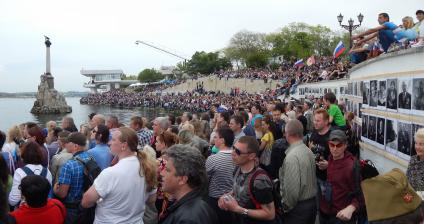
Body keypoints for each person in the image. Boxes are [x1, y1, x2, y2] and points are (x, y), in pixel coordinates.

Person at [81, 127, 157, 223]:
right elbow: (151, 199)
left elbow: (86, 201)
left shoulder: (110, 173)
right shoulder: (147, 168)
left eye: (113, 140)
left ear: (124, 145)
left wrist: (103, 201)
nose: (109, 143)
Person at [218, 136, 275, 224]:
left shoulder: (260, 180)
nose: (232, 153)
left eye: (237, 151)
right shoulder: (238, 168)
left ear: (251, 156)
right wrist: (226, 197)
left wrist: (238, 209)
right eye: (233, 148)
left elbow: (270, 214)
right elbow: (239, 188)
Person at [160, 144, 218, 224]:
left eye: (167, 170)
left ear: (182, 179)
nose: (162, 173)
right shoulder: (192, 207)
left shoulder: (189, 219)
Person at [319, 130, 363, 224]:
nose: (335, 149)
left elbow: (360, 195)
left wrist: (351, 208)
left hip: (340, 216)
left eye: (338, 145)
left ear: (345, 145)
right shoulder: (330, 158)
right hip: (325, 212)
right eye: (332, 145)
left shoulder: (351, 166)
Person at [280, 120, 317, 224]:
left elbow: (292, 191)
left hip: (298, 209)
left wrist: (286, 207)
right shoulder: (307, 150)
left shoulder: (292, 157)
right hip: (311, 205)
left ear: (287, 134)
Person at [53, 132, 92, 224]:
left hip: (71, 209)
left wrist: (55, 189)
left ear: (75, 146)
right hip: (86, 206)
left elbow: (62, 194)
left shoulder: (69, 165)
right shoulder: (91, 158)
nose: (65, 144)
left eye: (68, 142)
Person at [9, 142, 53, 207]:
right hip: (43, 209)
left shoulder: (19, 172)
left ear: (23, 155)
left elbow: (13, 201)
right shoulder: (47, 172)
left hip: (26, 210)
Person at [206, 127, 235, 224]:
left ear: (222, 140)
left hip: (215, 200)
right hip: (233, 200)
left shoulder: (213, 159)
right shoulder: (237, 158)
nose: (214, 139)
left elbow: (206, 179)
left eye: (216, 137)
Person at [154, 131, 178, 220]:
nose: (155, 143)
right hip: (172, 196)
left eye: (157, 142)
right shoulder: (175, 158)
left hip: (160, 197)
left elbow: (153, 181)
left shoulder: (158, 161)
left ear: (164, 144)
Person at [307, 109, 332, 181]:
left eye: (318, 121)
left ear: (326, 122)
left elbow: (341, 160)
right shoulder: (314, 134)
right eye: (314, 120)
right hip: (314, 176)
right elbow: (310, 149)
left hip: (327, 179)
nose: (315, 123)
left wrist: (329, 164)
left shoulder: (332, 137)